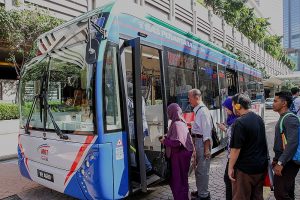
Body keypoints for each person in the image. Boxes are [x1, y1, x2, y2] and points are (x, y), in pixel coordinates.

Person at [228, 93, 268, 200]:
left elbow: (236, 149)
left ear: (237, 106)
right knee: (257, 196)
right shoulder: (259, 119)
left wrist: (230, 167)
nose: (233, 108)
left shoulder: (239, 123)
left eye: (233, 105)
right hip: (260, 167)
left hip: (245, 170)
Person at [159, 103, 194, 200]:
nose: (167, 113)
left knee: (177, 181)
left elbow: (177, 143)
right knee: (183, 180)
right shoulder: (181, 121)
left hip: (178, 157)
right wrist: (168, 136)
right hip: (183, 156)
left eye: (168, 111)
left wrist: (164, 141)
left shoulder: (176, 124)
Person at [272, 91, 300, 200]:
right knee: (288, 191)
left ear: (284, 103)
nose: (273, 103)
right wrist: (276, 159)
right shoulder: (284, 117)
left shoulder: (289, 118)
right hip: (285, 159)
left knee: (280, 193)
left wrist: (280, 162)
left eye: (275, 101)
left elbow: (292, 143)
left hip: (289, 161)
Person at [188, 89, 212, 200]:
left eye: (190, 98)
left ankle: (204, 195)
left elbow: (206, 133)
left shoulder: (202, 112)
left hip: (202, 143)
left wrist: (206, 150)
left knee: (202, 170)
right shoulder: (198, 110)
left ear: (196, 97)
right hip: (199, 142)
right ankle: (201, 191)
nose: (189, 100)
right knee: (199, 170)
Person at [127, 82, 152, 173]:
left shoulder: (128, 99)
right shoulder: (140, 97)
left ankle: (145, 167)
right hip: (143, 127)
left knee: (133, 148)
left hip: (133, 128)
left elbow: (127, 114)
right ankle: (144, 166)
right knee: (138, 147)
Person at [217, 97, 237, 200]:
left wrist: (224, 128)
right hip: (232, 155)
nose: (226, 110)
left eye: (227, 108)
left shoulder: (236, 121)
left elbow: (233, 137)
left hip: (234, 156)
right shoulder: (231, 119)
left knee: (228, 179)